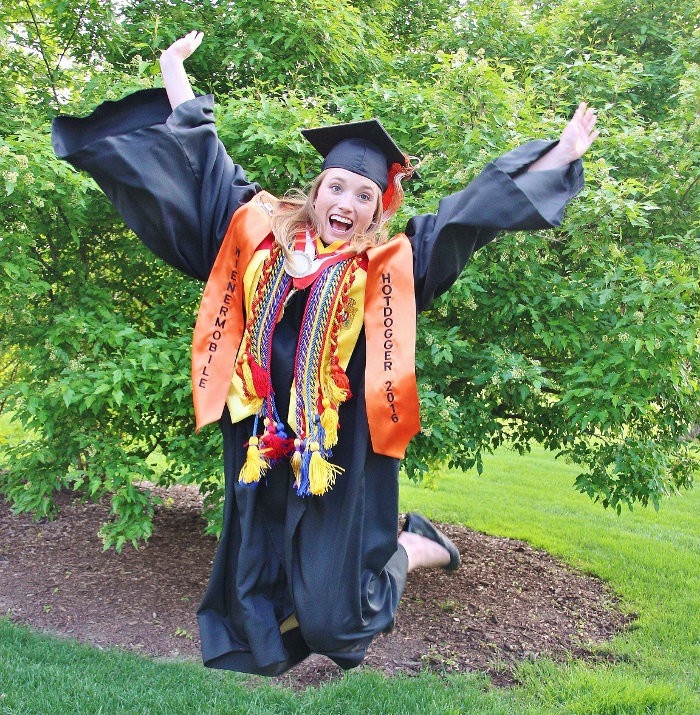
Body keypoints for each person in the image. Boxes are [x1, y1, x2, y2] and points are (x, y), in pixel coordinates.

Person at [51, 30, 598, 676]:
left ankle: (414, 547)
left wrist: (557, 154)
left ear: (375, 210)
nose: (347, 202)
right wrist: (174, 73)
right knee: (253, 597)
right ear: (317, 191)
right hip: (264, 443)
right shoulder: (261, 237)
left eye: (364, 195)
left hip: (341, 463)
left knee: (338, 626)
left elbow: (466, 218)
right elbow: (206, 161)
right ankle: (277, 628)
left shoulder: (391, 269)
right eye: (337, 187)